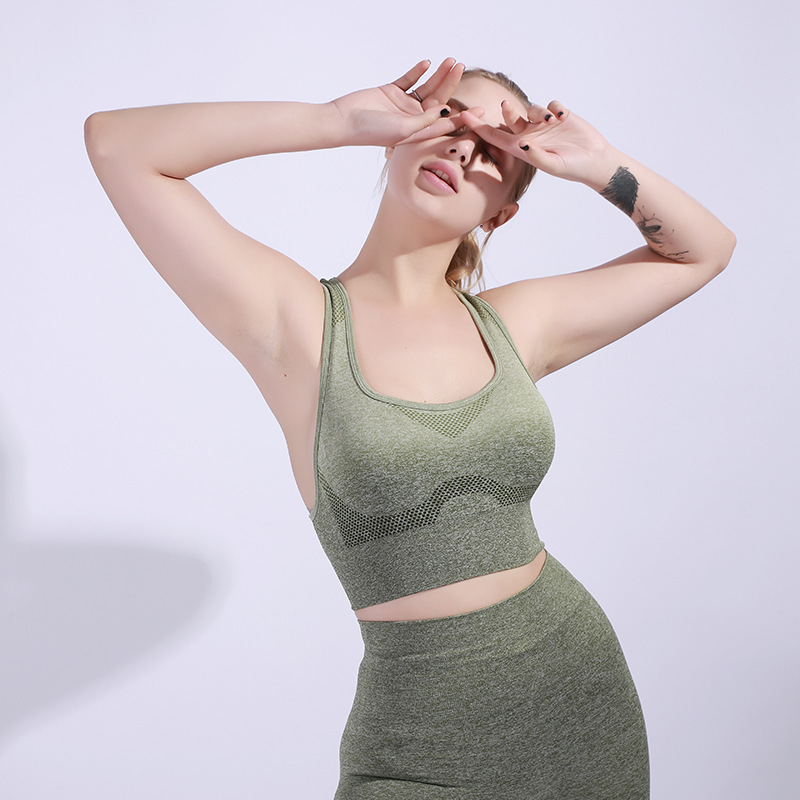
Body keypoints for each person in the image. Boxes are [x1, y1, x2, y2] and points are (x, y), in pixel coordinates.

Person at [84, 57, 735, 799]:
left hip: (578, 698)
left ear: (500, 214)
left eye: (495, 152)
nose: (463, 146)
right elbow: (119, 146)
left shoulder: (514, 325)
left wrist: (598, 164)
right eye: (450, 117)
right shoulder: (296, 322)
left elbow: (704, 251)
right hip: (417, 738)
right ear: (401, 136)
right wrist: (336, 120)